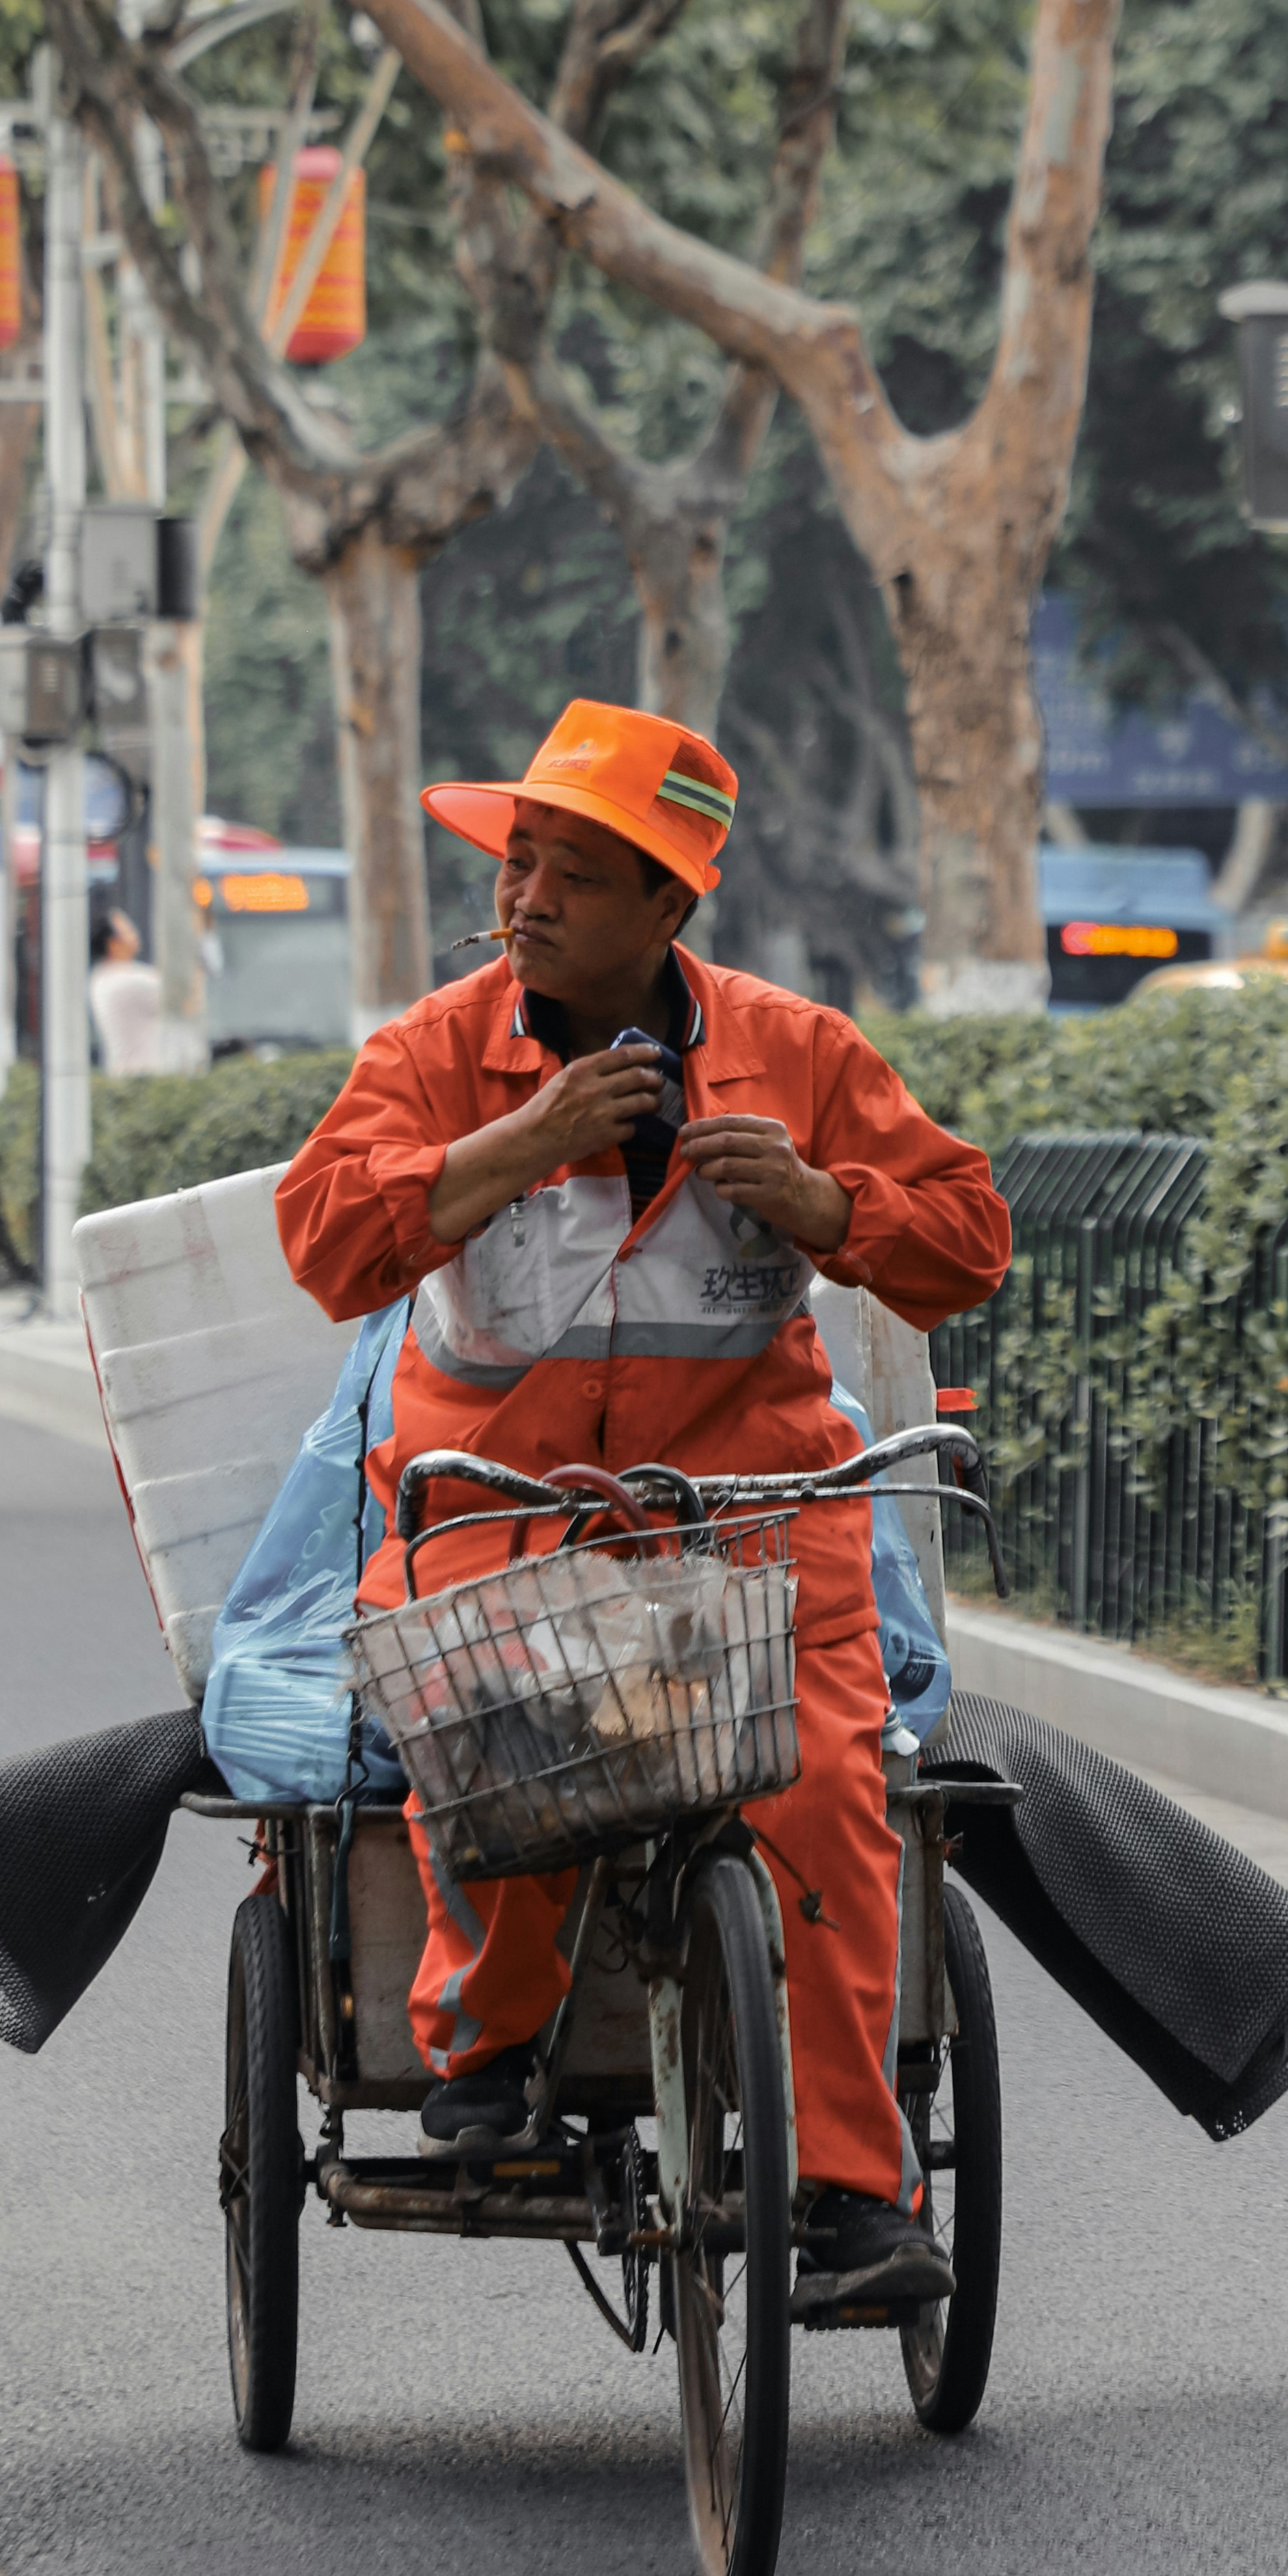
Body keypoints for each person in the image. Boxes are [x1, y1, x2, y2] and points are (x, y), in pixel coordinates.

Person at [275, 699, 1010, 2313]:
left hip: (746, 1524)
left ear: (672, 910)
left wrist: (829, 1205)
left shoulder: (798, 1051)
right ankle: (482, 2042)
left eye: (573, 874)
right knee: (508, 1745)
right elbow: (327, 1245)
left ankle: (846, 2193)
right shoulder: (431, 1054)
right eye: (516, 862)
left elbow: (968, 1237)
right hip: (496, 1519)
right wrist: (506, 1145)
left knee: (823, 1784)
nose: (523, 897)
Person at [89, 907, 165, 1076]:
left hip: (122, 1075)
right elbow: (181, 994)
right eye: (128, 930)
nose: (135, 934)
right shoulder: (128, 981)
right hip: (143, 1080)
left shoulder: (100, 978)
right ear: (113, 944)